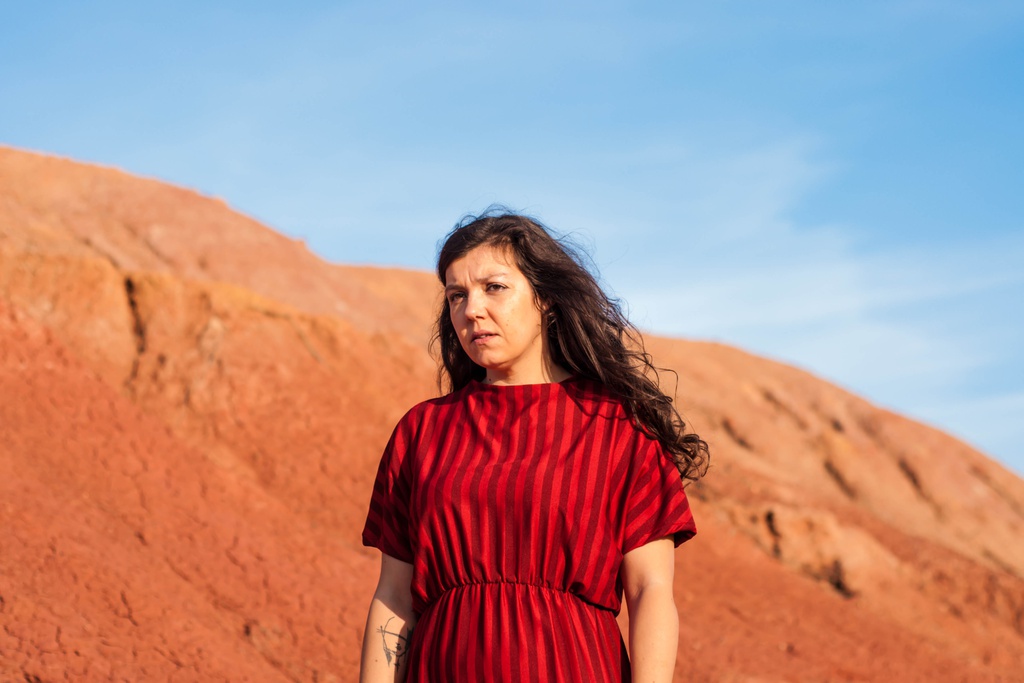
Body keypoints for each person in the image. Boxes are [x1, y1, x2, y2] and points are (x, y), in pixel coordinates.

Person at [360, 210, 709, 682]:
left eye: (494, 287)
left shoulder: (616, 427)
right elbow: (394, 599)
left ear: (544, 298)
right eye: (456, 295)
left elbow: (649, 591)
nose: (472, 309)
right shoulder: (423, 431)